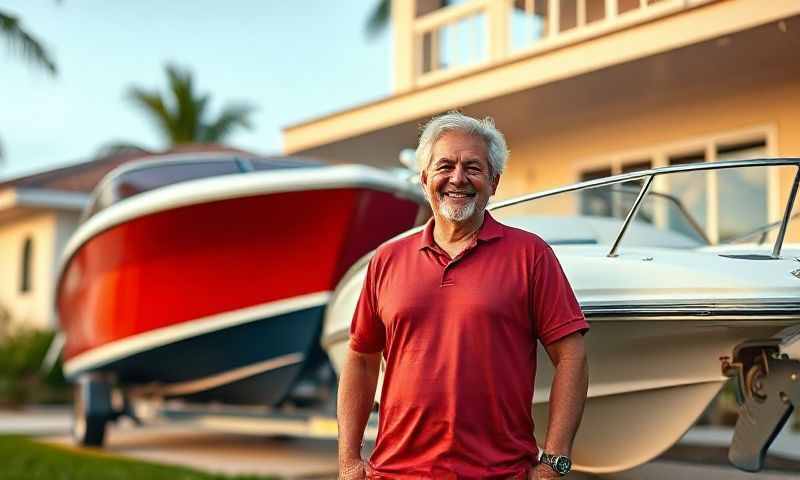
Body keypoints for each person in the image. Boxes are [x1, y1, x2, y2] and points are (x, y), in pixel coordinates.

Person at [337, 112, 589, 479]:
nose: (457, 178)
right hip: (394, 473)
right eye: (445, 166)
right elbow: (361, 359)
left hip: (500, 473)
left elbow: (572, 355)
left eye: (473, 167)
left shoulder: (530, 255)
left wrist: (554, 461)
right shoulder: (388, 259)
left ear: (494, 182)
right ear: (425, 180)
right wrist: (348, 460)